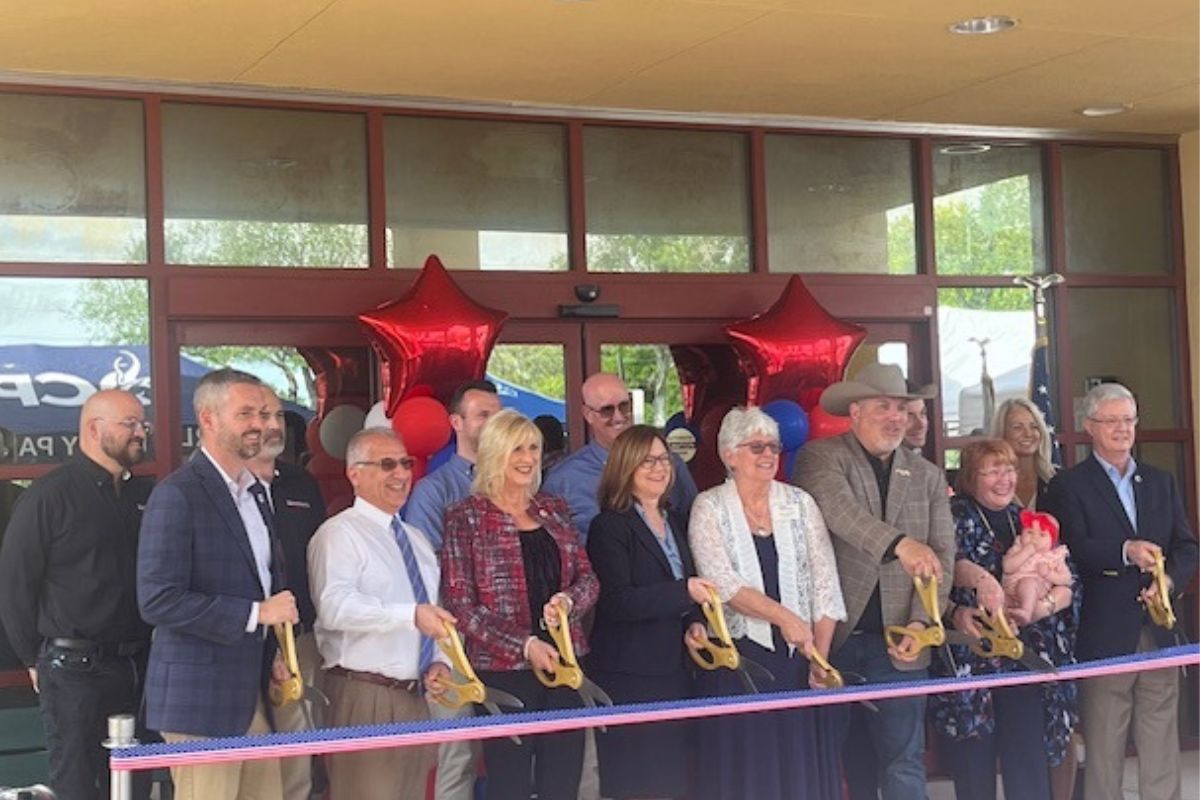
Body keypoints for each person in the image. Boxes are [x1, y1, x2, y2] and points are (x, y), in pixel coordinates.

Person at [793, 362, 954, 800]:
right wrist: (901, 544)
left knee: (904, 761)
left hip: (902, 642)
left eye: (902, 408)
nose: (895, 417)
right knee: (838, 762)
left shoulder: (928, 476)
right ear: (856, 410)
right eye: (883, 406)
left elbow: (943, 557)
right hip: (835, 639)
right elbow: (839, 512)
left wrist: (923, 625)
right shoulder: (821, 457)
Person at [138, 368, 299, 800]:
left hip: (249, 693)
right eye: (245, 413)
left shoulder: (257, 492)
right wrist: (256, 615)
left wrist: (273, 653)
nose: (261, 424)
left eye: (264, 413)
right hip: (199, 702)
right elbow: (157, 599)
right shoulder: (177, 494)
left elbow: (262, 580)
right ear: (208, 419)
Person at [1044, 382, 1199, 800]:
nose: (1121, 429)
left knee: (1161, 741)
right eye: (1111, 421)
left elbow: (1187, 547)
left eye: (1128, 420)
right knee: (1105, 746)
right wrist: (1125, 551)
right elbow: (1071, 548)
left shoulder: (1161, 482)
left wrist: (1167, 581)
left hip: (1159, 630)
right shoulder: (1069, 486)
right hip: (1104, 634)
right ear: (1090, 426)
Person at [0, 390, 154, 800]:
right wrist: (33, 657)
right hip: (73, 671)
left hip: (138, 666)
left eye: (143, 424)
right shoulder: (49, 495)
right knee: (78, 785)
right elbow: (15, 583)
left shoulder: (143, 496)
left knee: (135, 783)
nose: (141, 432)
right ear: (93, 428)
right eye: (130, 424)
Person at [688, 406, 847, 800]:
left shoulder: (800, 503)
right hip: (739, 662)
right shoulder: (708, 506)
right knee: (749, 775)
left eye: (773, 446)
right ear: (729, 454)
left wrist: (819, 660)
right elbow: (722, 584)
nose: (768, 455)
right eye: (756, 446)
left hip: (800, 661)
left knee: (800, 773)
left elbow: (826, 583)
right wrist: (784, 618)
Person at [441, 409, 599, 800]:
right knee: (508, 781)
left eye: (533, 447)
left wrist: (568, 600)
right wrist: (525, 645)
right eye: (517, 449)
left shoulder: (555, 508)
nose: (528, 458)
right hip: (503, 670)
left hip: (565, 663)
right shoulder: (466, 517)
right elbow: (463, 606)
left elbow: (589, 579)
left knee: (563, 778)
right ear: (495, 453)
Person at [308, 426, 454, 800]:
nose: (401, 474)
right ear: (354, 473)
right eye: (387, 464)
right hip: (364, 694)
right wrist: (408, 616)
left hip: (416, 696)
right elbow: (334, 607)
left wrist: (440, 662)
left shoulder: (417, 540)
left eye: (405, 463)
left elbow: (433, 610)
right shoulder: (339, 534)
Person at [929, 439, 1080, 800]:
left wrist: (1041, 606)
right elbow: (940, 573)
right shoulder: (952, 516)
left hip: (1024, 658)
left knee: (1027, 763)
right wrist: (963, 603)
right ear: (970, 477)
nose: (1004, 479)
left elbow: (1069, 579)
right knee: (974, 767)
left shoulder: (1026, 519)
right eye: (992, 471)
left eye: (1009, 469)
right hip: (973, 661)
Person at [586, 425, 713, 800]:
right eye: (647, 461)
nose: (659, 468)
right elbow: (617, 600)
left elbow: (684, 584)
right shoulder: (609, 526)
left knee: (671, 781)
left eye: (664, 459)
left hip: (674, 670)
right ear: (625, 467)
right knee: (634, 784)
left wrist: (694, 622)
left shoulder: (675, 520)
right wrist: (683, 593)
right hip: (628, 676)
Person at [403, 379, 501, 800]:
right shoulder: (433, 491)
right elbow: (427, 576)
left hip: (508, 639)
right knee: (457, 753)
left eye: (498, 413)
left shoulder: (524, 485)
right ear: (456, 422)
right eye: (483, 414)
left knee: (511, 748)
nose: (494, 422)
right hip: (455, 640)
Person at [248, 387, 328, 800]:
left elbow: (318, 560)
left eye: (278, 415)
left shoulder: (303, 484)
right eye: (262, 415)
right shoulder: (221, 486)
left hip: (300, 639)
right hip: (241, 639)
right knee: (253, 764)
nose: (273, 424)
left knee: (298, 756)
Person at [544, 372, 698, 541]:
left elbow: (694, 528)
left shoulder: (668, 465)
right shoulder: (564, 479)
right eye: (607, 410)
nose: (618, 417)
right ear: (588, 414)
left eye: (624, 406)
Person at [1000, 511, 1072, 626]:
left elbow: (1066, 579)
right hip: (1009, 590)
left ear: (1052, 542)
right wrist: (1025, 552)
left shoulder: (1053, 556)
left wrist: (1049, 574)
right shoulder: (1018, 548)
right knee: (998, 600)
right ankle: (1010, 625)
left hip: (1035, 593)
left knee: (1028, 583)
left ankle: (1026, 612)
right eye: (1029, 532)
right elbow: (1007, 567)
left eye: (1042, 535)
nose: (1034, 538)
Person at [990, 397, 1056, 509]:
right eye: (1017, 427)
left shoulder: (1057, 480)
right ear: (1002, 433)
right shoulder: (988, 483)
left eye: (1034, 426)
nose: (1028, 433)